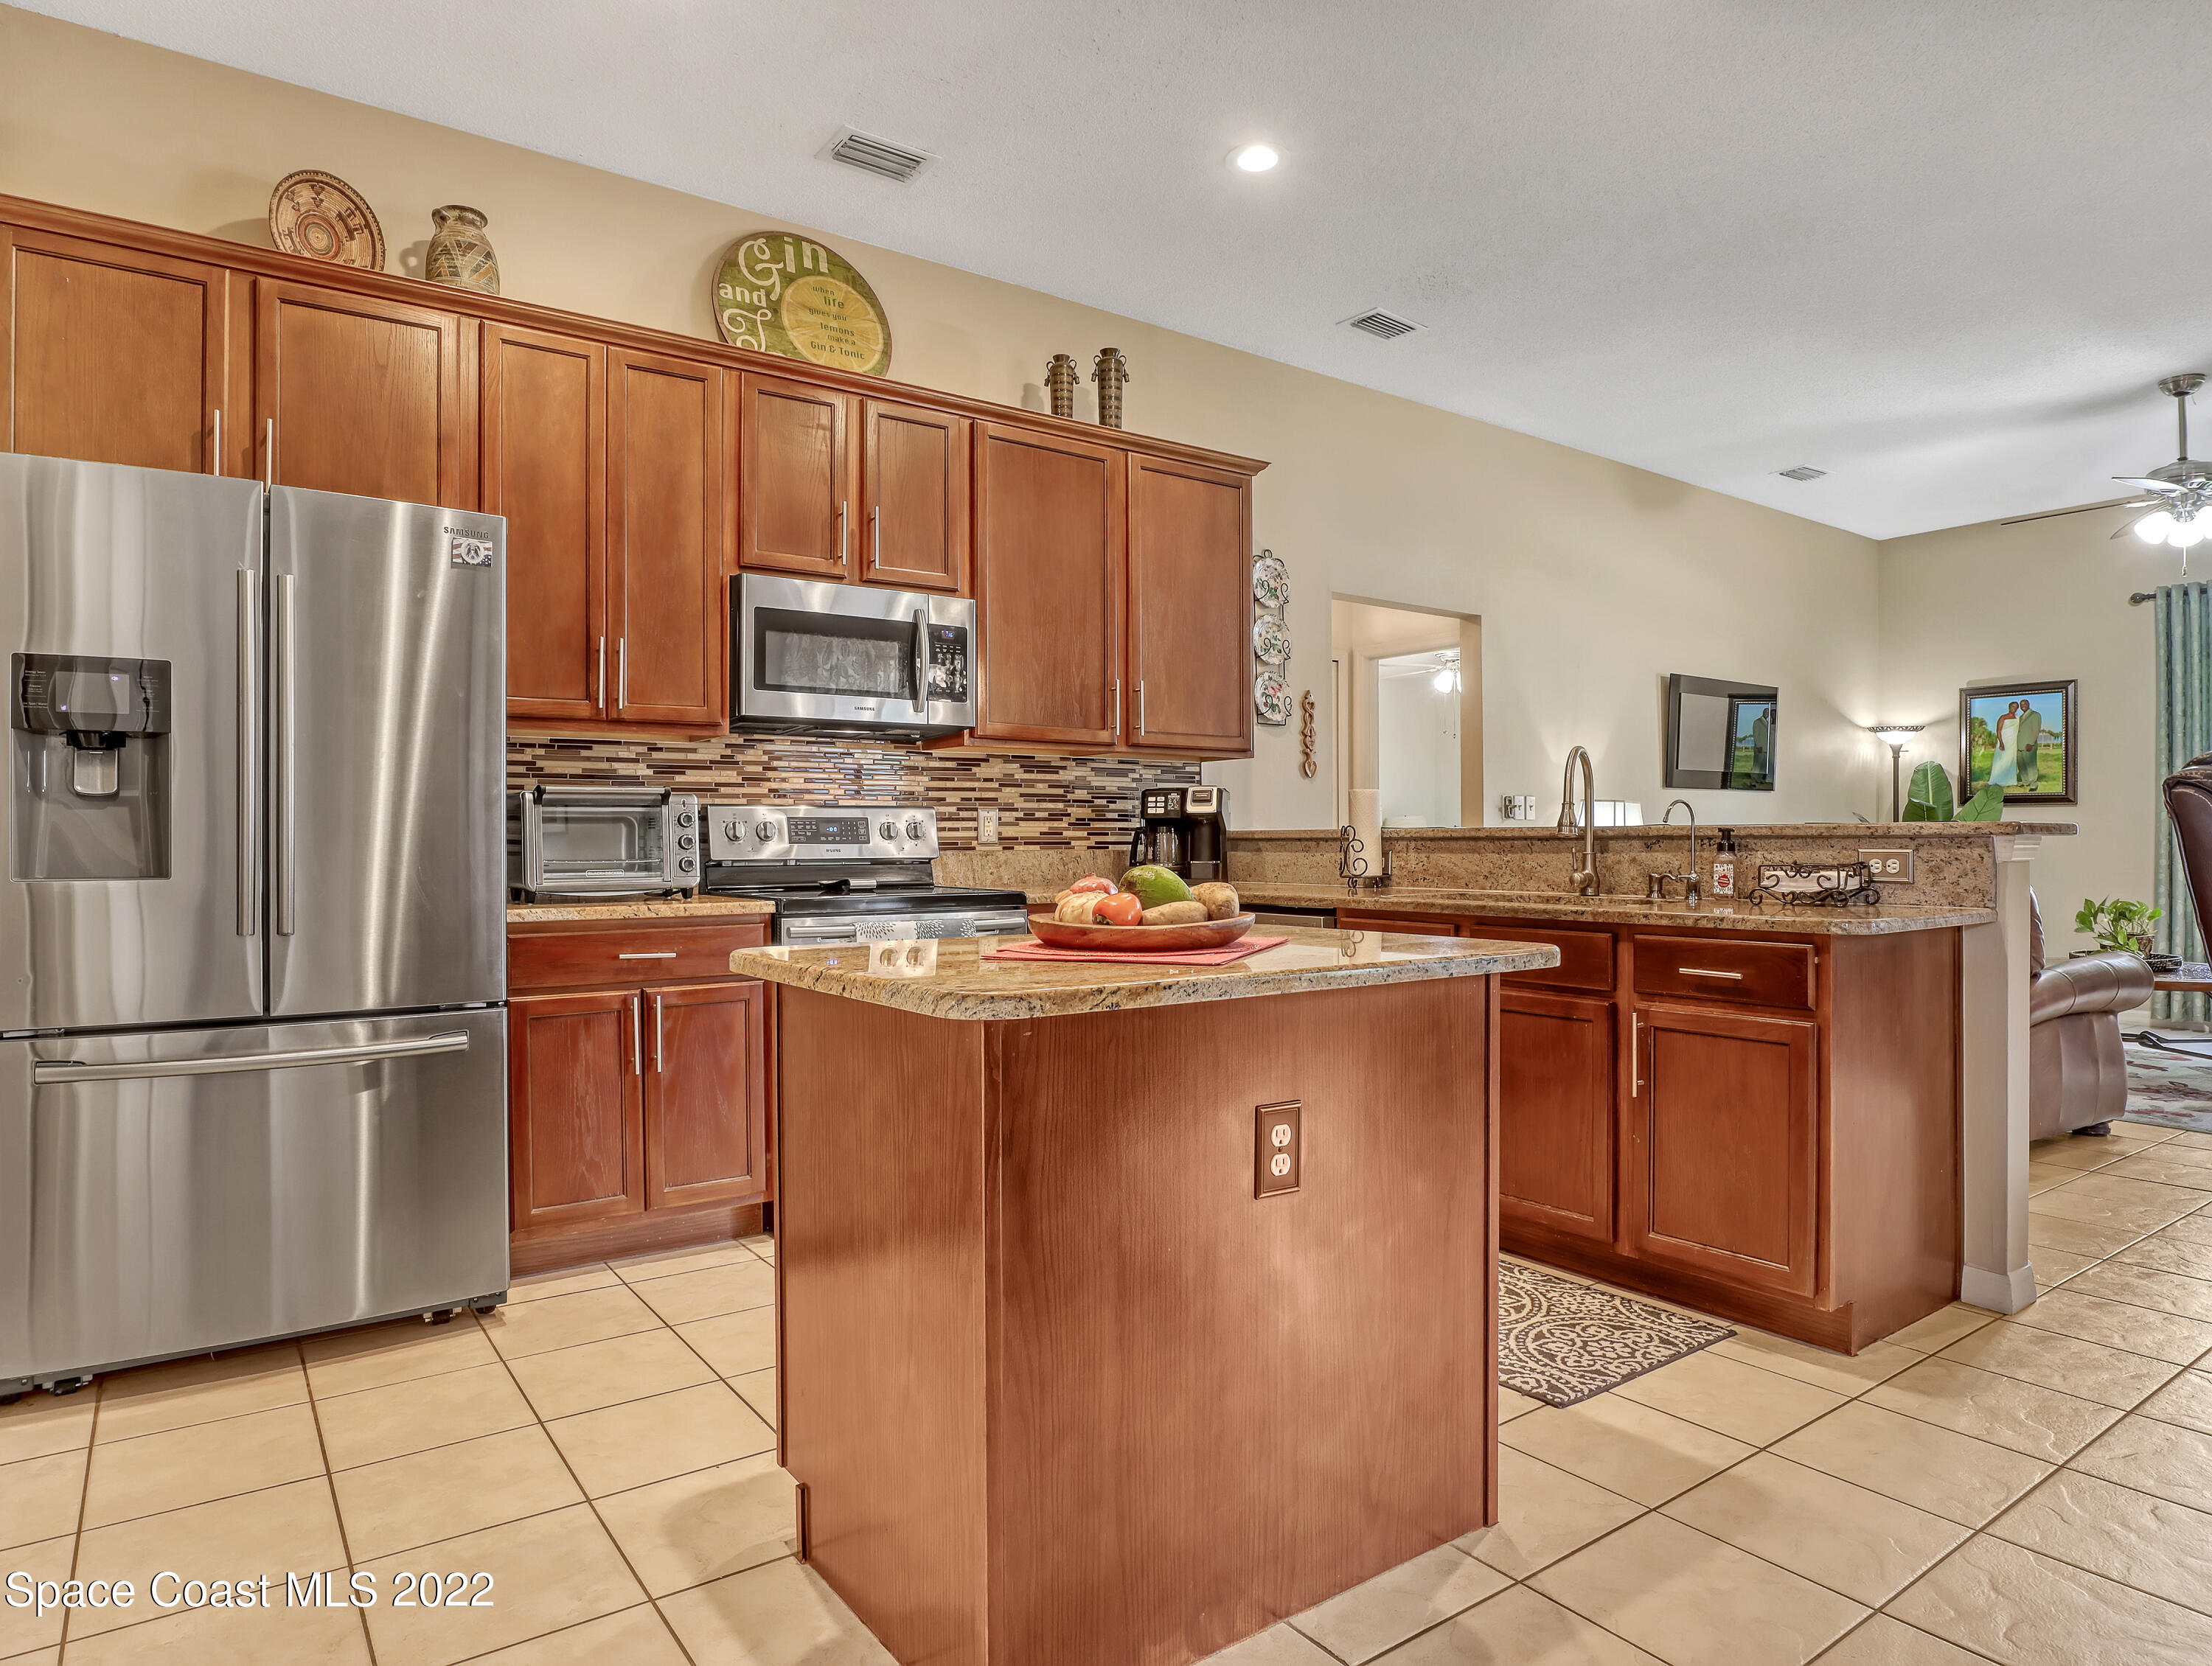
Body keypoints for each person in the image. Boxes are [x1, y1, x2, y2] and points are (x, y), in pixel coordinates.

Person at [1987, 701, 2020, 788]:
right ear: (2009, 707)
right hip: (2004, 742)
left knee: (2011, 761)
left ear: (2017, 709)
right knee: (2001, 761)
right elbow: (1998, 731)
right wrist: (2001, 742)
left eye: (2016, 707)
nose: (2014, 708)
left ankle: (2010, 780)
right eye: (2013, 706)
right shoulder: (2003, 717)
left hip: (2013, 743)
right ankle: (1997, 779)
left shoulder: (2018, 718)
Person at [2014, 700, 2043, 794]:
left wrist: (2031, 743)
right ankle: (2025, 782)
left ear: (2029, 704)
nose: (2023, 706)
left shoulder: (2035, 715)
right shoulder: (2021, 717)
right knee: (2021, 765)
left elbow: (2036, 730)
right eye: (2021, 705)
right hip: (2019, 745)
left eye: (2025, 704)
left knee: (2031, 765)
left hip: (2029, 745)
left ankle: (2034, 784)